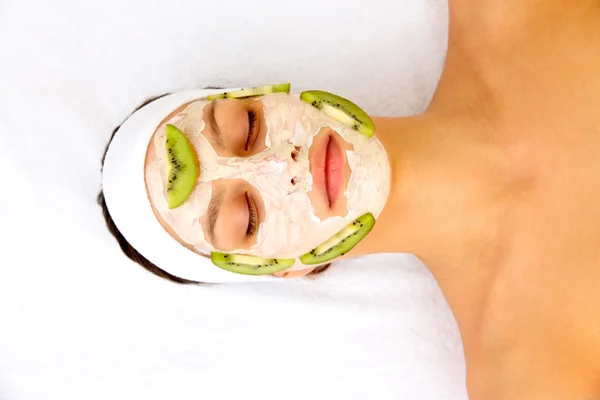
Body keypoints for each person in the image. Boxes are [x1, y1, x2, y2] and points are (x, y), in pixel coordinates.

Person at [99, 0, 600, 398]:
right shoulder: (525, 379)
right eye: (246, 215)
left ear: (271, 93)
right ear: (284, 270)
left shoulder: (507, 9)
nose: (281, 164)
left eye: (247, 127)